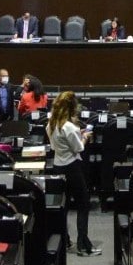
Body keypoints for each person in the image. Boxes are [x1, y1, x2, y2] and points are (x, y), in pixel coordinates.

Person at [47, 90, 101, 256]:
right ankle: (83, 245)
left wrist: (79, 134)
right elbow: (79, 148)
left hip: (58, 166)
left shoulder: (50, 124)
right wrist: (85, 137)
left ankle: (66, 240)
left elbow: (56, 147)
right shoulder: (69, 126)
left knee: (63, 206)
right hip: (72, 168)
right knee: (83, 204)